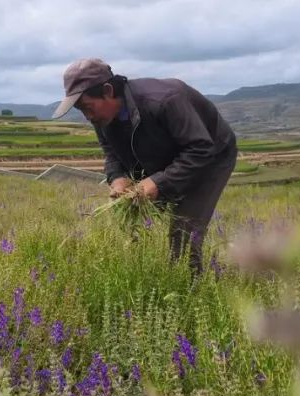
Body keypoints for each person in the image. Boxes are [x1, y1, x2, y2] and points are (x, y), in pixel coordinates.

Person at [52, 58, 238, 276]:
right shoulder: (101, 117)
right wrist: (117, 177)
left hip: (211, 154)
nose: (88, 116)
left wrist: (157, 181)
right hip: (164, 152)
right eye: (81, 111)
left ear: (108, 91)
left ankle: (189, 291)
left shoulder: (165, 100)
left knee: (184, 230)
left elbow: (200, 149)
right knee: (143, 217)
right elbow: (111, 152)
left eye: (88, 108)